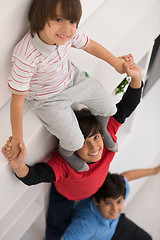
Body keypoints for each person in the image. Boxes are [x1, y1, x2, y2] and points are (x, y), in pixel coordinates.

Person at [2, 61, 142, 240]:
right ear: (71, 145)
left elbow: (128, 104)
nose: (94, 147)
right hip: (65, 196)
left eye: (96, 138)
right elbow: (34, 176)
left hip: (93, 189)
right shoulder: (64, 164)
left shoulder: (107, 137)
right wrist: (18, 164)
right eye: (84, 143)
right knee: (55, 228)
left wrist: (136, 76)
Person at [6, 0, 133, 172]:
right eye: (58, 20)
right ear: (40, 18)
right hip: (47, 100)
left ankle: (103, 129)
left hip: (72, 79)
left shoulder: (67, 35)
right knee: (75, 141)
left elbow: (90, 45)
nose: (67, 29)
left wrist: (116, 63)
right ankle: (66, 153)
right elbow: (17, 101)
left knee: (109, 106)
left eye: (72, 22)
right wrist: (17, 140)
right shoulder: (26, 56)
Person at [61, 165, 160, 240]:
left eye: (119, 202)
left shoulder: (117, 191)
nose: (115, 209)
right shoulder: (85, 224)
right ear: (96, 201)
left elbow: (127, 176)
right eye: (108, 203)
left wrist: (154, 171)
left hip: (117, 225)